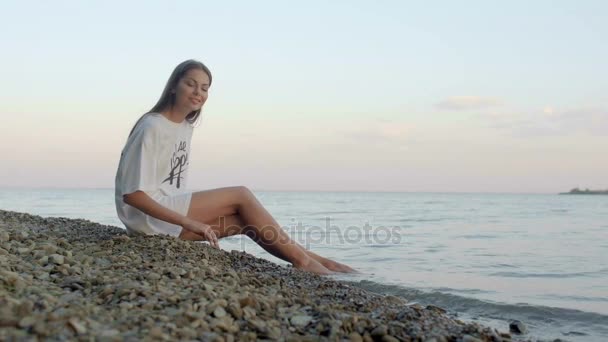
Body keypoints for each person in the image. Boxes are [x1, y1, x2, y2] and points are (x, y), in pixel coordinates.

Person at [115, 59, 355, 275]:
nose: (198, 92)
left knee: (245, 223)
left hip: (160, 225)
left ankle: (321, 263)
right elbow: (133, 195)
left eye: (205, 88)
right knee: (240, 194)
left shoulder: (184, 127)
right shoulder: (152, 126)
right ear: (173, 86)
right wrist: (190, 222)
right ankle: (305, 263)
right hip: (145, 221)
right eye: (191, 84)